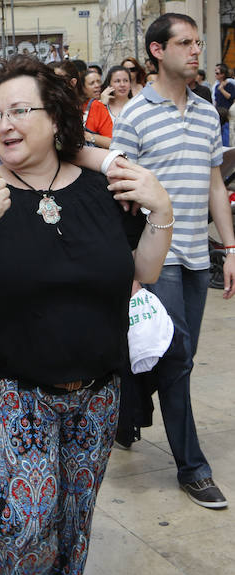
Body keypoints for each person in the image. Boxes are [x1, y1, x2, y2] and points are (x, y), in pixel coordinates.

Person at [0, 55, 172, 575]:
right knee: (28, 522)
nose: (4, 124)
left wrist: (161, 210)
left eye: (20, 111)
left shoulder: (103, 188)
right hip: (19, 388)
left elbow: (146, 270)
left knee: (74, 523)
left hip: (100, 387)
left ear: (57, 119)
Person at [112, 13, 235, 509]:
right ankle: (193, 468)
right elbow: (119, 190)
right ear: (157, 51)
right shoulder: (135, 115)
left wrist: (229, 249)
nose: (196, 50)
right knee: (179, 358)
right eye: (185, 42)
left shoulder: (207, 112)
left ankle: (126, 411)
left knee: (175, 355)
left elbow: (214, 185)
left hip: (197, 258)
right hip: (155, 258)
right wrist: (129, 269)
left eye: (198, 42)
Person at [54, 60, 112, 147]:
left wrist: (87, 136)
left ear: (73, 82)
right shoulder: (48, 107)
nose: (97, 86)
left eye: (58, 81)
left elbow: (112, 142)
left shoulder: (95, 106)